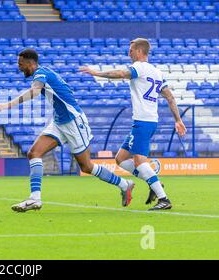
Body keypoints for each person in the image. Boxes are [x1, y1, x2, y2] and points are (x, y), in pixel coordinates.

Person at [0, 48, 135, 212]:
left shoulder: (41, 73)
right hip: (59, 121)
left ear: (30, 62)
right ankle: (35, 199)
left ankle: (125, 184)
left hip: (74, 122)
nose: (19, 67)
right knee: (34, 153)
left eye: (20, 64)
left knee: (86, 166)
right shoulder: (44, 72)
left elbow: (34, 91)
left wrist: (7, 105)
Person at [80, 38, 187, 210]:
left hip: (143, 122)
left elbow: (121, 74)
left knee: (139, 162)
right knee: (120, 159)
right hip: (149, 121)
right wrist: (178, 120)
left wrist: (96, 73)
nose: (128, 53)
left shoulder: (139, 67)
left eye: (130, 50)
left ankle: (163, 198)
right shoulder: (157, 72)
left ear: (139, 51)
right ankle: (154, 184)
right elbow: (169, 96)